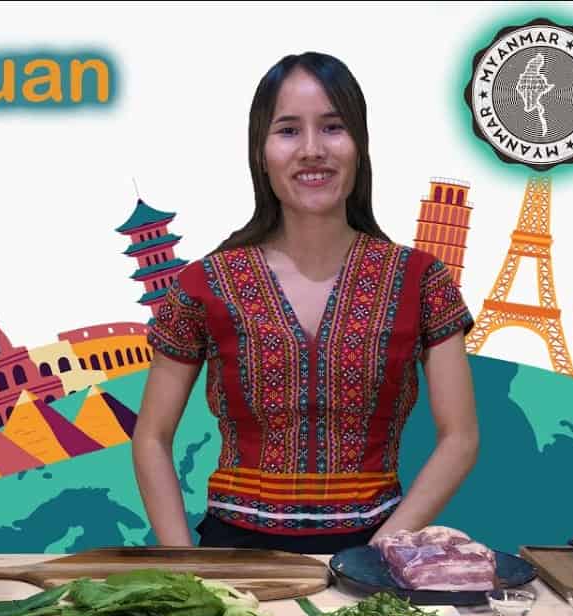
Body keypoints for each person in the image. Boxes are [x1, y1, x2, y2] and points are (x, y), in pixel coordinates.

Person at [133, 52, 480, 554]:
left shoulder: (422, 282)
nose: (313, 149)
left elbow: (461, 438)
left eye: (333, 127)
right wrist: (188, 567)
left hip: (376, 556)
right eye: (289, 130)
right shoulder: (204, 285)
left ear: (360, 145)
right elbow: (151, 437)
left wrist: (375, 557)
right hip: (232, 561)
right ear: (261, 151)